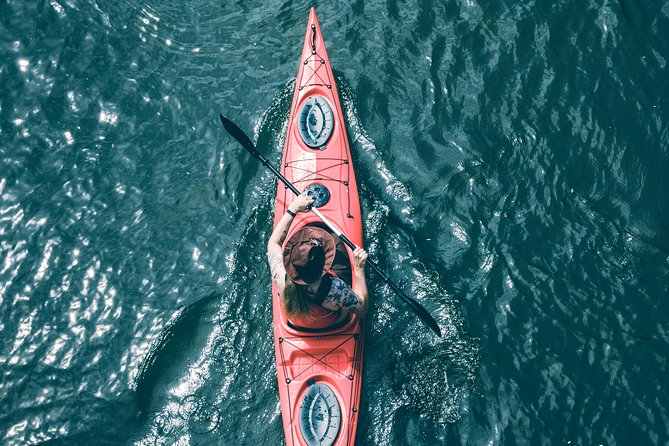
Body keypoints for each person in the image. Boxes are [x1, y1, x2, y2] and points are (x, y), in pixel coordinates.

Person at [267, 192, 368, 329]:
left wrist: (293, 209)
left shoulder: (280, 274)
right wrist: (359, 269)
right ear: (325, 265)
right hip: (333, 324)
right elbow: (362, 308)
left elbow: (273, 242)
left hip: (297, 325)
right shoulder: (336, 290)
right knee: (336, 240)